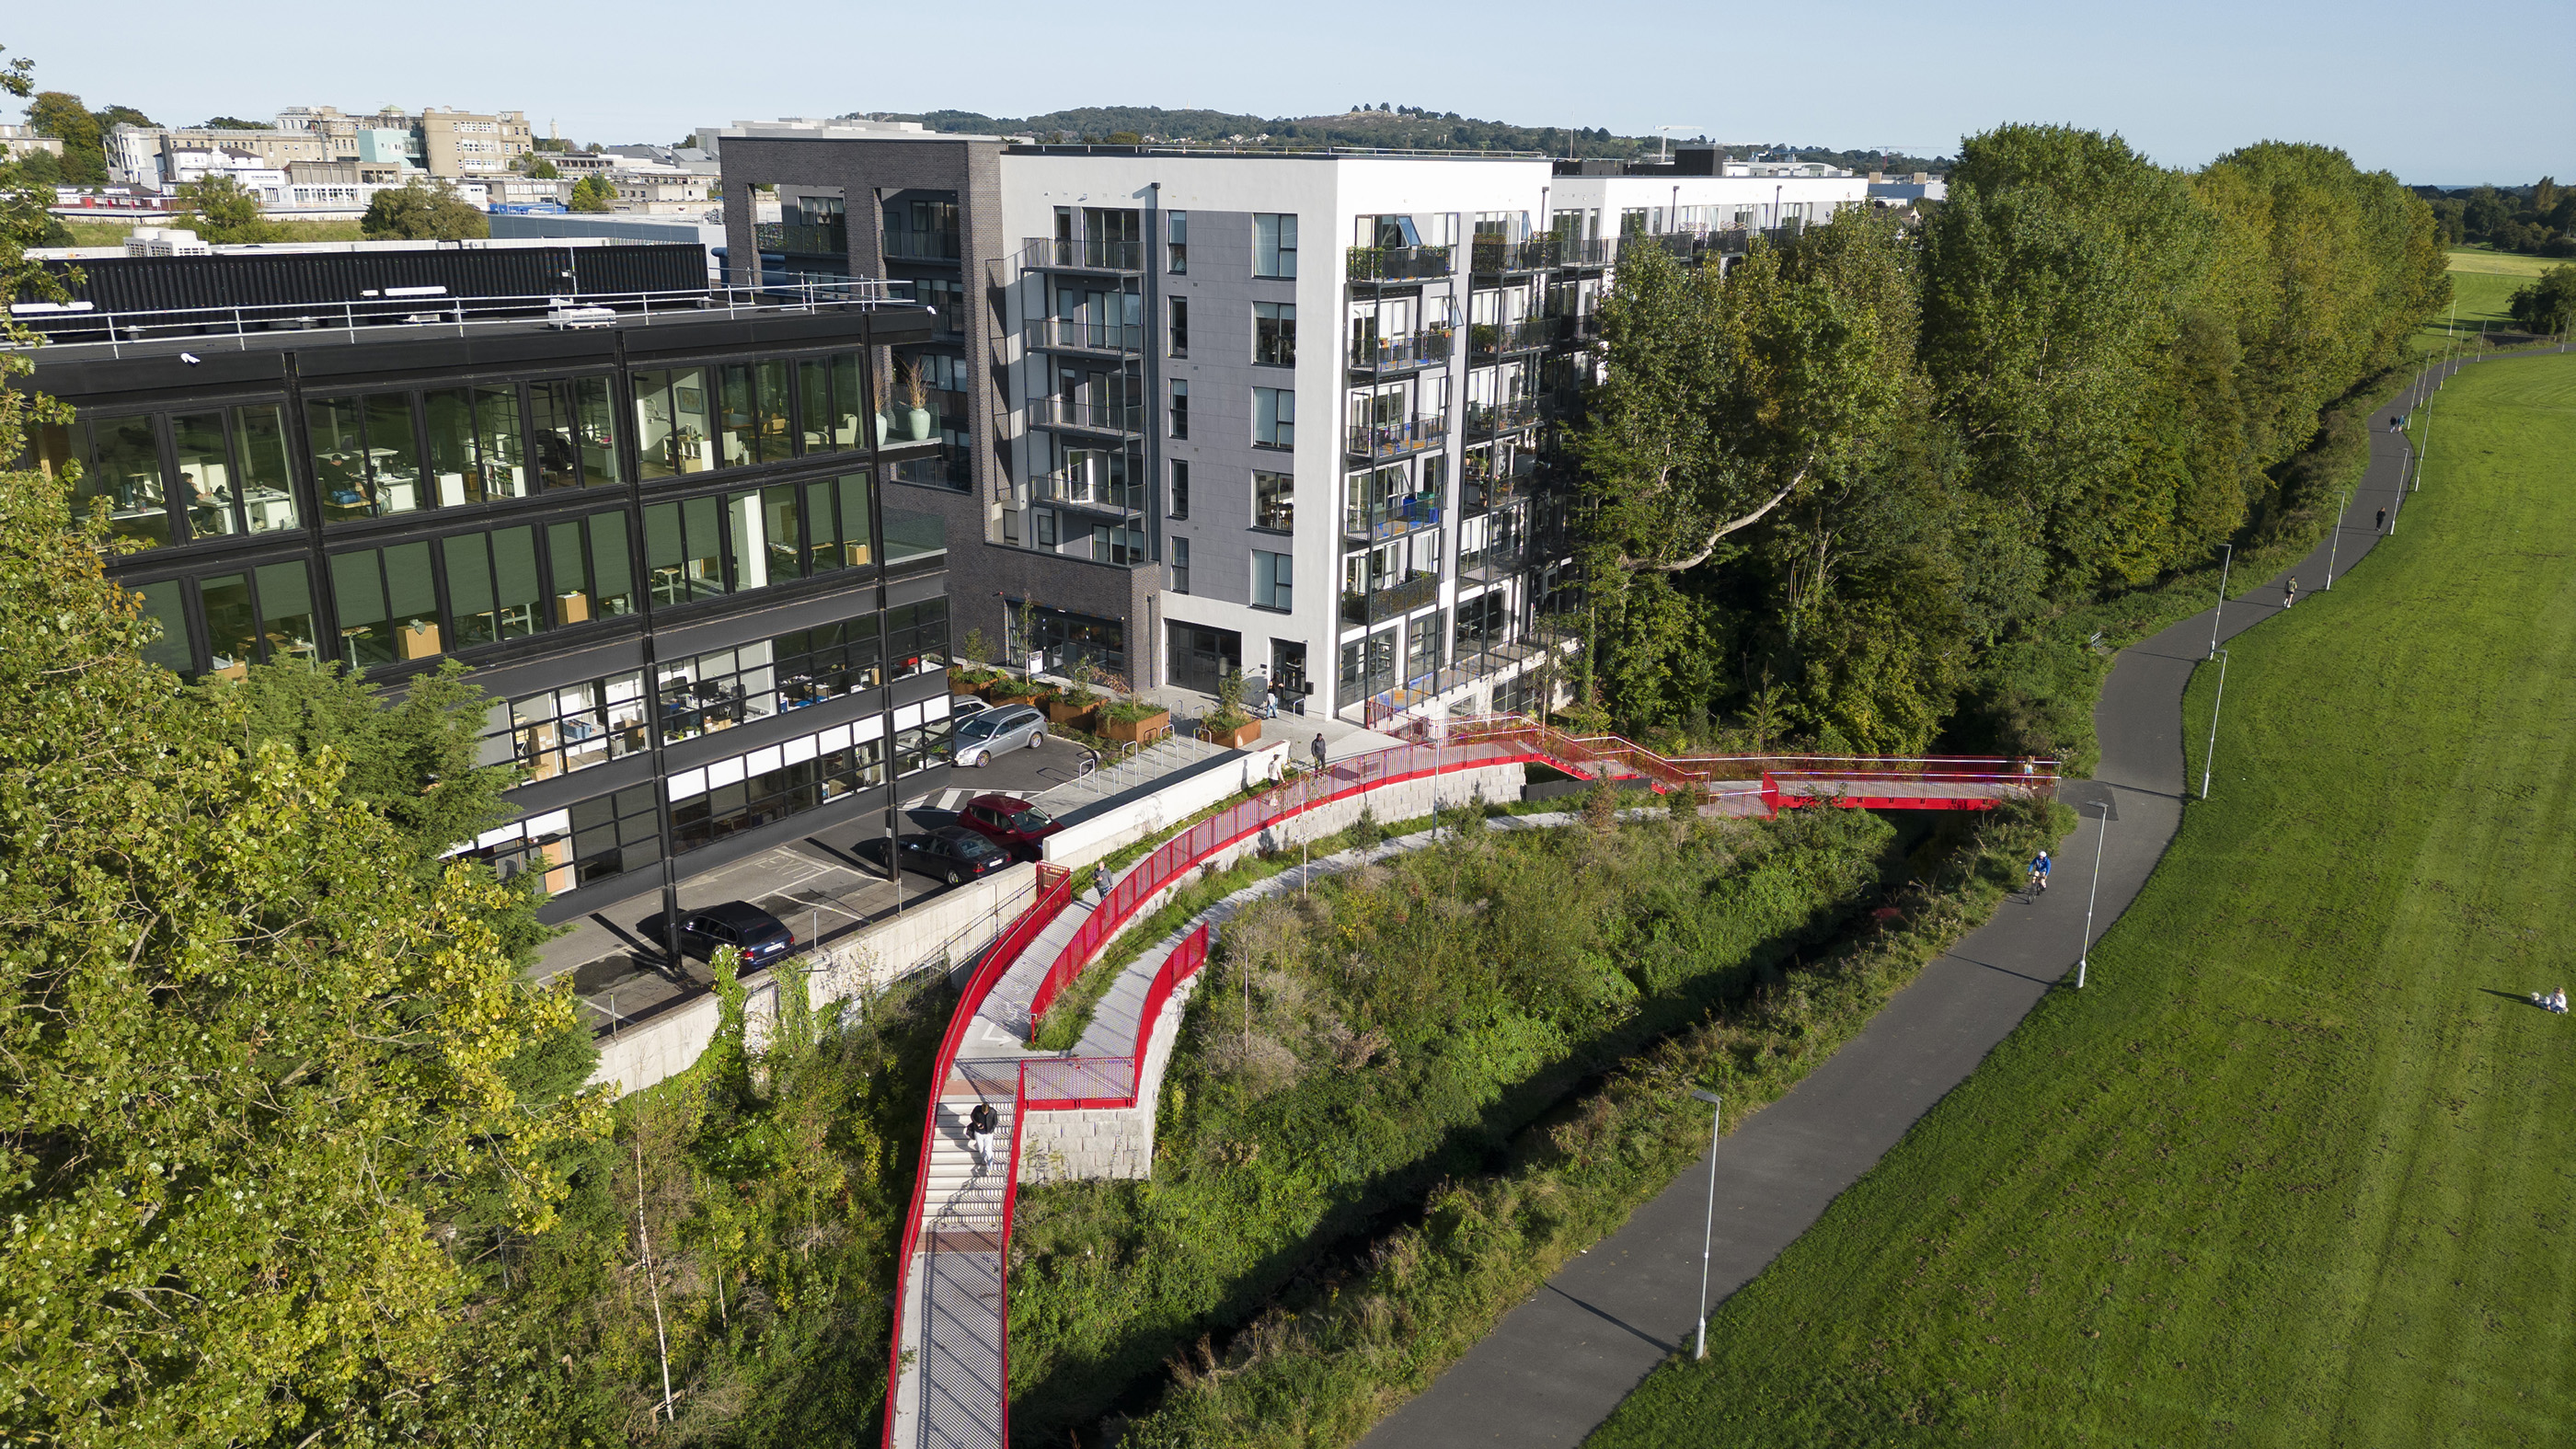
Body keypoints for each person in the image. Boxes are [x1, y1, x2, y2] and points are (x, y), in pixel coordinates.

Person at [967, 1100, 998, 1171]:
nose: (984, 1113)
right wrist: (977, 1124)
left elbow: (995, 1122)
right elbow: (972, 1116)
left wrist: (991, 1130)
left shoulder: (993, 1112)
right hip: (978, 1132)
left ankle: (990, 1166)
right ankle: (984, 1159)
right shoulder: (977, 1109)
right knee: (981, 1148)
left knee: (988, 1149)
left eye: (986, 1112)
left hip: (988, 1133)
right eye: (983, 1112)